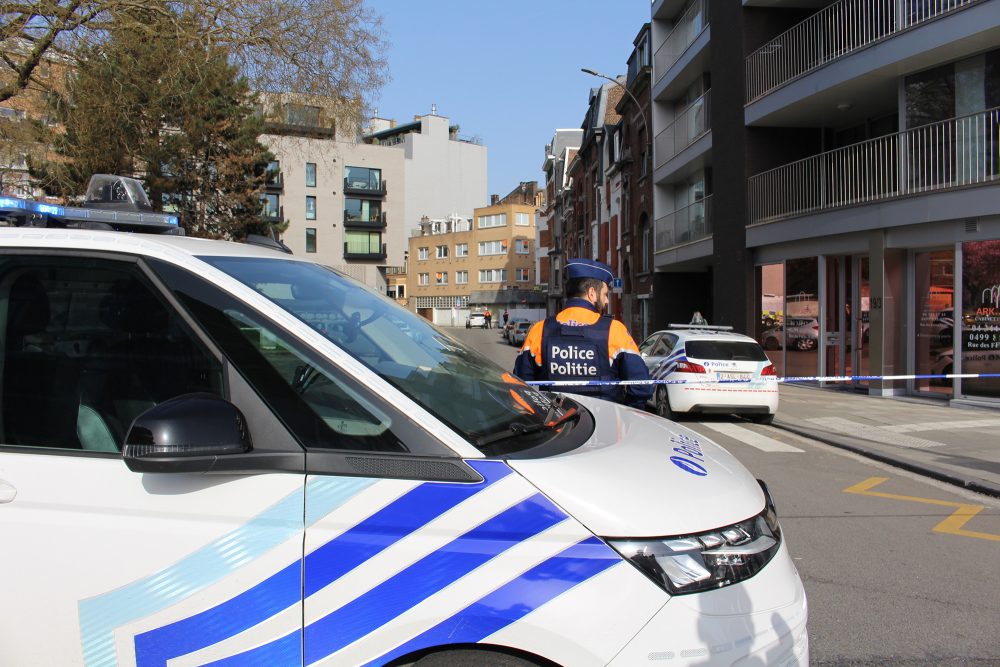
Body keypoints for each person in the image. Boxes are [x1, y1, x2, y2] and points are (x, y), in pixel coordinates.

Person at [513, 258, 652, 408]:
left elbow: (519, 387)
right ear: (592, 293)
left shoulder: (539, 330)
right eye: (605, 294)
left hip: (556, 426)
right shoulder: (615, 330)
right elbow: (641, 386)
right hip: (606, 423)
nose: (606, 301)